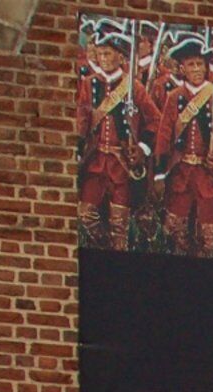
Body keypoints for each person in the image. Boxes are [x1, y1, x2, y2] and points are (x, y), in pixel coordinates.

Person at [150, 40, 213, 256]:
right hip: (180, 175)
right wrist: (159, 173)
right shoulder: (174, 97)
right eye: (191, 64)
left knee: (208, 237)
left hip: (208, 177)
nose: (197, 69)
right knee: (176, 234)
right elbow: (164, 136)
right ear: (182, 68)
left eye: (200, 64)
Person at [73, 30, 149, 250]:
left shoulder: (134, 87)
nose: (103, 58)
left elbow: (154, 121)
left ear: (120, 56)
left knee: (119, 225)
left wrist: (142, 148)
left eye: (108, 53)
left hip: (121, 163)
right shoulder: (89, 83)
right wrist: (78, 146)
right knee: (85, 216)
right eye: (100, 54)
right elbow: (82, 119)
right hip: (95, 160)